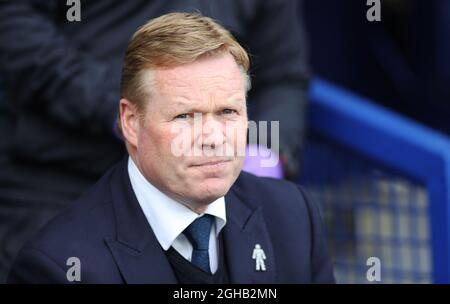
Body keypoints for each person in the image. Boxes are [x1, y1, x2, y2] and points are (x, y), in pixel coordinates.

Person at [7, 12, 332, 284]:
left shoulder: (294, 218)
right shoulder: (58, 267)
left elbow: (284, 72)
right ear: (130, 122)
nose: (213, 138)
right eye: (185, 117)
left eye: (228, 112)